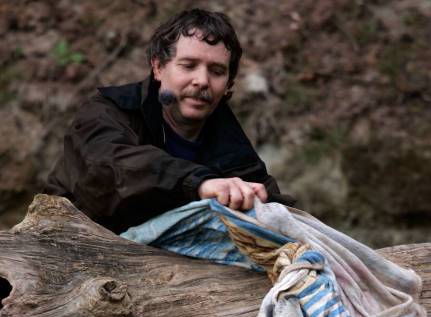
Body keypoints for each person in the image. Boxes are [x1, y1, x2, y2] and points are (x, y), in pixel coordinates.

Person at [45, 8, 295, 234]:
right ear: (158, 67)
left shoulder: (231, 145)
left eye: (217, 71)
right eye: (188, 66)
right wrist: (199, 183)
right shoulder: (107, 111)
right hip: (67, 248)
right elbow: (108, 170)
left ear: (228, 85)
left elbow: (272, 206)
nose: (202, 81)